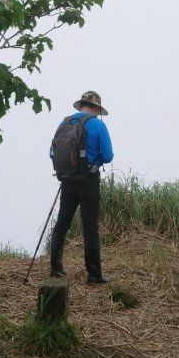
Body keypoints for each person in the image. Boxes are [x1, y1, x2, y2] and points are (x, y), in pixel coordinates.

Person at [49, 90, 114, 284]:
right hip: (88, 180)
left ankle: (56, 269)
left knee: (62, 223)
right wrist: (92, 160)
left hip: (67, 179)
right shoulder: (98, 125)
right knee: (90, 227)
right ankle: (94, 275)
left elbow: (52, 153)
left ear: (81, 105)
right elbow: (108, 156)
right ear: (95, 107)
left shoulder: (64, 123)